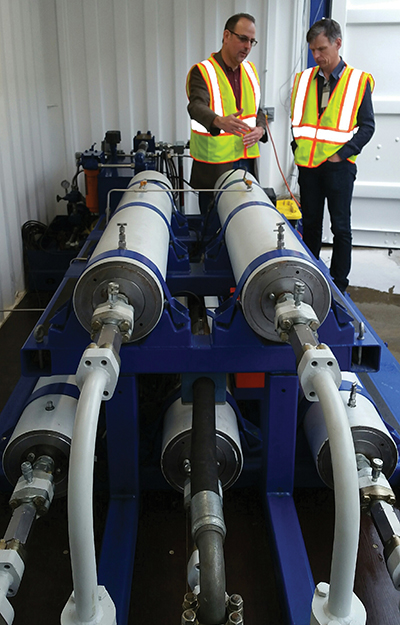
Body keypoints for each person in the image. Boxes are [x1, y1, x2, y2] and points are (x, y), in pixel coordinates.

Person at [291, 18, 375, 293]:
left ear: (338, 43)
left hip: (339, 168)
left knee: (341, 228)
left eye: (322, 49)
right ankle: (310, 278)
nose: (317, 56)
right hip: (309, 167)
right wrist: (297, 150)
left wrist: (343, 154)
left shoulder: (357, 81)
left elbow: (368, 126)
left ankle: (339, 285)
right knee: (311, 225)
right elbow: (298, 123)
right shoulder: (303, 80)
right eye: (313, 50)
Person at [186, 13, 268, 215]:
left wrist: (261, 129)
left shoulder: (250, 70)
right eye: (243, 38)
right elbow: (196, 106)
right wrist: (217, 121)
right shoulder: (202, 71)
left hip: (246, 162)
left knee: (243, 224)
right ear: (226, 36)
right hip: (214, 167)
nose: (247, 46)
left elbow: (258, 110)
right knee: (213, 227)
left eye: (251, 41)